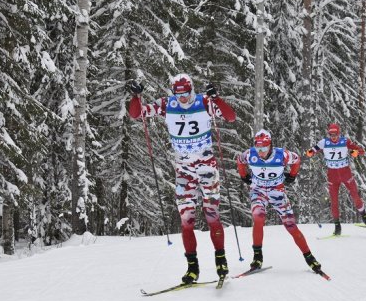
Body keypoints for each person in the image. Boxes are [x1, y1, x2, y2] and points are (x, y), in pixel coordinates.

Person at [128, 74, 236, 284]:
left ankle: (221, 261)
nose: (183, 99)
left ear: (191, 90)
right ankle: (192, 268)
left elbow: (230, 117)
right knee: (186, 220)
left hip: (206, 168)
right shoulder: (168, 104)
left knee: (211, 214)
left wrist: (217, 98)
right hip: (184, 171)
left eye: (186, 94)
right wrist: (136, 96)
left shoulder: (203, 102)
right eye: (179, 95)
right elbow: (136, 114)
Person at [236, 129, 323, 274]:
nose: (260, 151)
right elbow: (240, 160)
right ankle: (257, 257)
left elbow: (297, 160)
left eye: (264, 147)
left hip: (277, 192)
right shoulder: (250, 154)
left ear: (270, 145)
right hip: (258, 191)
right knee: (258, 217)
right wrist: (243, 175)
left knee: (291, 226)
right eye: (258, 147)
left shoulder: (282, 155)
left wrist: (292, 175)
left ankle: (310, 258)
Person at [306, 123, 366, 235]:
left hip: (345, 173)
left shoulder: (345, 141)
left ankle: (365, 218)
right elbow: (313, 149)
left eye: (335, 134)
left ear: (339, 133)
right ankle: (337, 226)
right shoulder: (324, 142)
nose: (333, 136)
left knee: (355, 194)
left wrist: (356, 152)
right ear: (328, 134)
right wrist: (310, 152)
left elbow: (360, 151)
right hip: (332, 175)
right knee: (334, 200)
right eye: (331, 134)